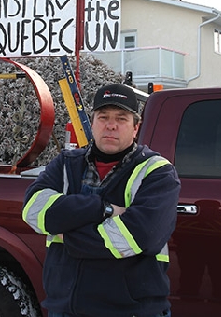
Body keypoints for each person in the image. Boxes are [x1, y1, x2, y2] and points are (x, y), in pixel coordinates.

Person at [22, 83, 181, 317]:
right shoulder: (66, 163)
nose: (111, 125)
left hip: (132, 311)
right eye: (103, 117)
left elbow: (139, 235)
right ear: (92, 123)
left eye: (122, 118)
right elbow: (33, 211)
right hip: (65, 309)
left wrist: (67, 233)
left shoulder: (157, 172)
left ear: (136, 127)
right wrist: (103, 209)